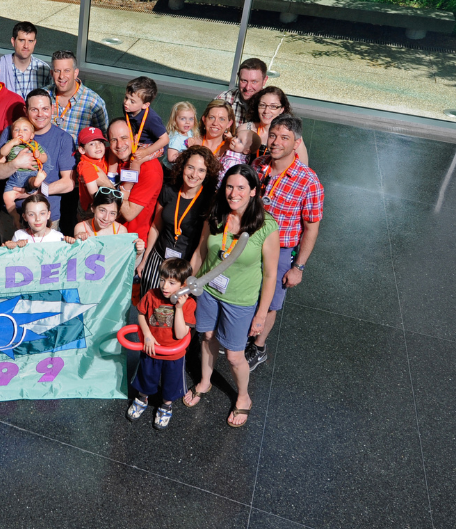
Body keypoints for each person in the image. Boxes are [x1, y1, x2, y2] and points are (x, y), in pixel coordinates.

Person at [185, 164, 280, 428]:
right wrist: (188, 286)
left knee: (235, 355)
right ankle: (205, 382)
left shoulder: (266, 226)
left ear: (253, 191)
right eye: (229, 186)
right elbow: (201, 253)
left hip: (240, 299)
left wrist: (261, 315)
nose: (233, 193)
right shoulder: (216, 216)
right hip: (209, 292)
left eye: (241, 187)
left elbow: (271, 275)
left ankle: (243, 397)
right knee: (206, 338)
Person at [247, 115, 323, 370]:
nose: (276, 142)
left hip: (280, 250)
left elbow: (312, 227)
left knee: (270, 302)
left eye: (285, 138)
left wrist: (298, 267)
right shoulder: (257, 165)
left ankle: (258, 346)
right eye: (273, 136)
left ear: (297, 142)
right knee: (246, 291)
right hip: (250, 243)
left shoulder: (309, 181)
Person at [137, 146, 220, 296]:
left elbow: (201, 248)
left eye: (201, 170)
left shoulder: (209, 201)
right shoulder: (169, 190)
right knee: (148, 304)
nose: (194, 174)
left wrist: (188, 280)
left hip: (185, 267)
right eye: (190, 167)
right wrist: (145, 259)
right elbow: (156, 226)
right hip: (158, 259)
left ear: (207, 174)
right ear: (182, 167)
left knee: (171, 314)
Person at [126, 258, 196, 430]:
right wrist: (147, 335)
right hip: (151, 349)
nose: (164, 286)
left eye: (171, 282)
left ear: (183, 285)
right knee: (146, 376)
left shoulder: (189, 304)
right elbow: (141, 314)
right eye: (162, 280)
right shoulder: (152, 294)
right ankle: (142, 397)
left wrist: (178, 308)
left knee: (171, 383)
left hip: (173, 354)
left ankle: (166, 405)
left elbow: (181, 334)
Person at [0, 89, 76, 234]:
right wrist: (15, 163)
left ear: (52, 109)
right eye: (34, 109)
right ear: (25, 110)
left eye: (45, 109)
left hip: (46, 218)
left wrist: (33, 193)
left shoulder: (64, 139)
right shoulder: (12, 132)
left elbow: (69, 183)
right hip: (12, 213)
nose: (40, 114)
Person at [107, 119, 164, 245]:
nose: (119, 145)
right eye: (114, 140)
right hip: (104, 235)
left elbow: (129, 213)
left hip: (131, 242)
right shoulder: (108, 156)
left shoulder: (150, 169)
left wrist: (106, 184)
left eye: (124, 138)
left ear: (135, 138)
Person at [47, 50, 108, 143]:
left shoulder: (94, 103)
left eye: (67, 71)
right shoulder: (42, 96)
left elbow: (102, 140)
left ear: (75, 73)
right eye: (57, 71)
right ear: (52, 73)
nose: (61, 76)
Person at [0, 117, 48, 225]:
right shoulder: (10, 144)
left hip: (29, 174)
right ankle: (15, 215)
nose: (20, 132)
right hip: (13, 178)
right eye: (16, 130)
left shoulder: (34, 145)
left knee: (32, 182)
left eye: (25, 130)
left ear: (31, 135)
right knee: (7, 197)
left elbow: (45, 158)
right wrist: (12, 143)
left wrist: (39, 155)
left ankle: (37, 181)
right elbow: (2, 152)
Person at [241, 87, 309, 162]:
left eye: (273, 106)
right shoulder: (245, 129)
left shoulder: (292, 135)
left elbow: (303, 166)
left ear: (282, 109)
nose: (266, 111)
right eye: (262, 105)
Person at [0, 21, 52, 100]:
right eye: (22, 40)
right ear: (13, 42)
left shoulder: (44, 69)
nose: (26, 46)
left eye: (30, 41)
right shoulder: (0, 66)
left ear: (34, 43)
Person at [188, 100, 238, 183]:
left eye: (222, 119)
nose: (215, 123)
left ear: (229, 123)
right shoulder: (191, 142)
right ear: (204, 119)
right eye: (211, 117)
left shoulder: (231, 150)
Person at [123, 77, 169, 162]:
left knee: (136, 160)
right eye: (126, 97)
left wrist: (146, 152)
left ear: (145, 105)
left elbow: (165, 139)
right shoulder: (128, 108)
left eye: (132, 101)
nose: (126, 102)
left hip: (153, 145)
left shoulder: (152, 118)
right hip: (138, 141)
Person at [3, 193, 75, 247]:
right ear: (25, 217)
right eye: (31, 214)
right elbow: (9, 260)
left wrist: (71, 243)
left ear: (48, 215)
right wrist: (11, 247)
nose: (37, 219)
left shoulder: (57, 237)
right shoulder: (19, 235)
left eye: (42, 213)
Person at [216, 57, 269, 123]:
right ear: (238, 77)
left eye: (254, 82)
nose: (247, 88)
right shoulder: (223, 99)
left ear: (264, 80)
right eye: (244, 81)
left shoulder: (273, 107)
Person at [75, 127, 113, 214]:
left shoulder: (100, 155)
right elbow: (94, 195)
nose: (98, 146)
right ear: (82, 150)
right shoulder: (86, 166)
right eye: (92, 144)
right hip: (92, 208)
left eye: (100, 142)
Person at [165, 102, 200, 167]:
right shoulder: (176, 138)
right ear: (174, 120)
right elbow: (171, 158)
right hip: (170, 170)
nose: (187, 122)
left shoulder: (189, 132)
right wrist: (188, 153)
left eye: (191, 119)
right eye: (183, 118)